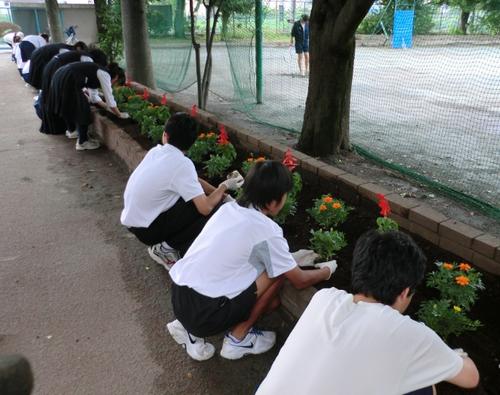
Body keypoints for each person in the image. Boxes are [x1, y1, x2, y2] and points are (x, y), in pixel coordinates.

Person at [256, 230, 480, 395]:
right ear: (404, 293)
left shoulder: (324, 299)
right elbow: (471, 378)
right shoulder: (409, 334)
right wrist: (451, 354)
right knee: (424, 386)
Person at [167, 160, 337, 361]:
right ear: (273, 202)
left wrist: (290, 258)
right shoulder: (267, 230)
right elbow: (299, 280)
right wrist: (328, 270)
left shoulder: (227, 209)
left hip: (179, 298)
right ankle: (238, 338)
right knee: (278, 272)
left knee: (271, 273)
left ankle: (187, 328)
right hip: (205, 315)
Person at [121, 113, 241, 267]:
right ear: (192, 143)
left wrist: (221, 194)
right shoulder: (182, 164)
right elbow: (205, 208)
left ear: (165, 135)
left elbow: (194, 181)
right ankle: (165, 248)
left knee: (197, 197)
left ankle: (166, 244)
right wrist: (224, 186)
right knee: (215, 208)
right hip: (148, 230)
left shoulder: (156, 152)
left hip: (136, 223)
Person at [45, 61, 128, 150]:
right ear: (116, 76)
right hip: (68, 78)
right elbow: (109, 98)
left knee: (69, 104)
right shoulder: (105, 74)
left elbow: (94, 97)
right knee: (83, 108)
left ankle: (72, 131)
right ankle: (82, 142)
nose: (113, 84)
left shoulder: (98, 71)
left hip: (60, 75)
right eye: (116, 82)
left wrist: (107, 107)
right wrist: (119, 114)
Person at [39, 48, 107, 135]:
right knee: (77, 103)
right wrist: (106, 105)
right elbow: (83, 78)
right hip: (58, 70)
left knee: (61, 99)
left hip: (53, 69)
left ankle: (70, 129)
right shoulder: (88, 60)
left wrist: (87, 91)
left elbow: (80, 78)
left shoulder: (82, 55)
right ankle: (75, 133)